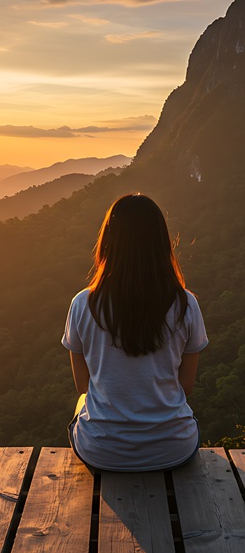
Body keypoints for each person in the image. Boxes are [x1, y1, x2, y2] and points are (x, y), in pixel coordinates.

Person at [61, 193, 208, 472]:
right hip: (173, 448)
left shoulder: (83, 304)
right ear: (161, 242)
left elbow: (83, 387)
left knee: (82, 403)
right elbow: (185, 387)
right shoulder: (186, 304)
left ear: (108, 242)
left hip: (102, 451)